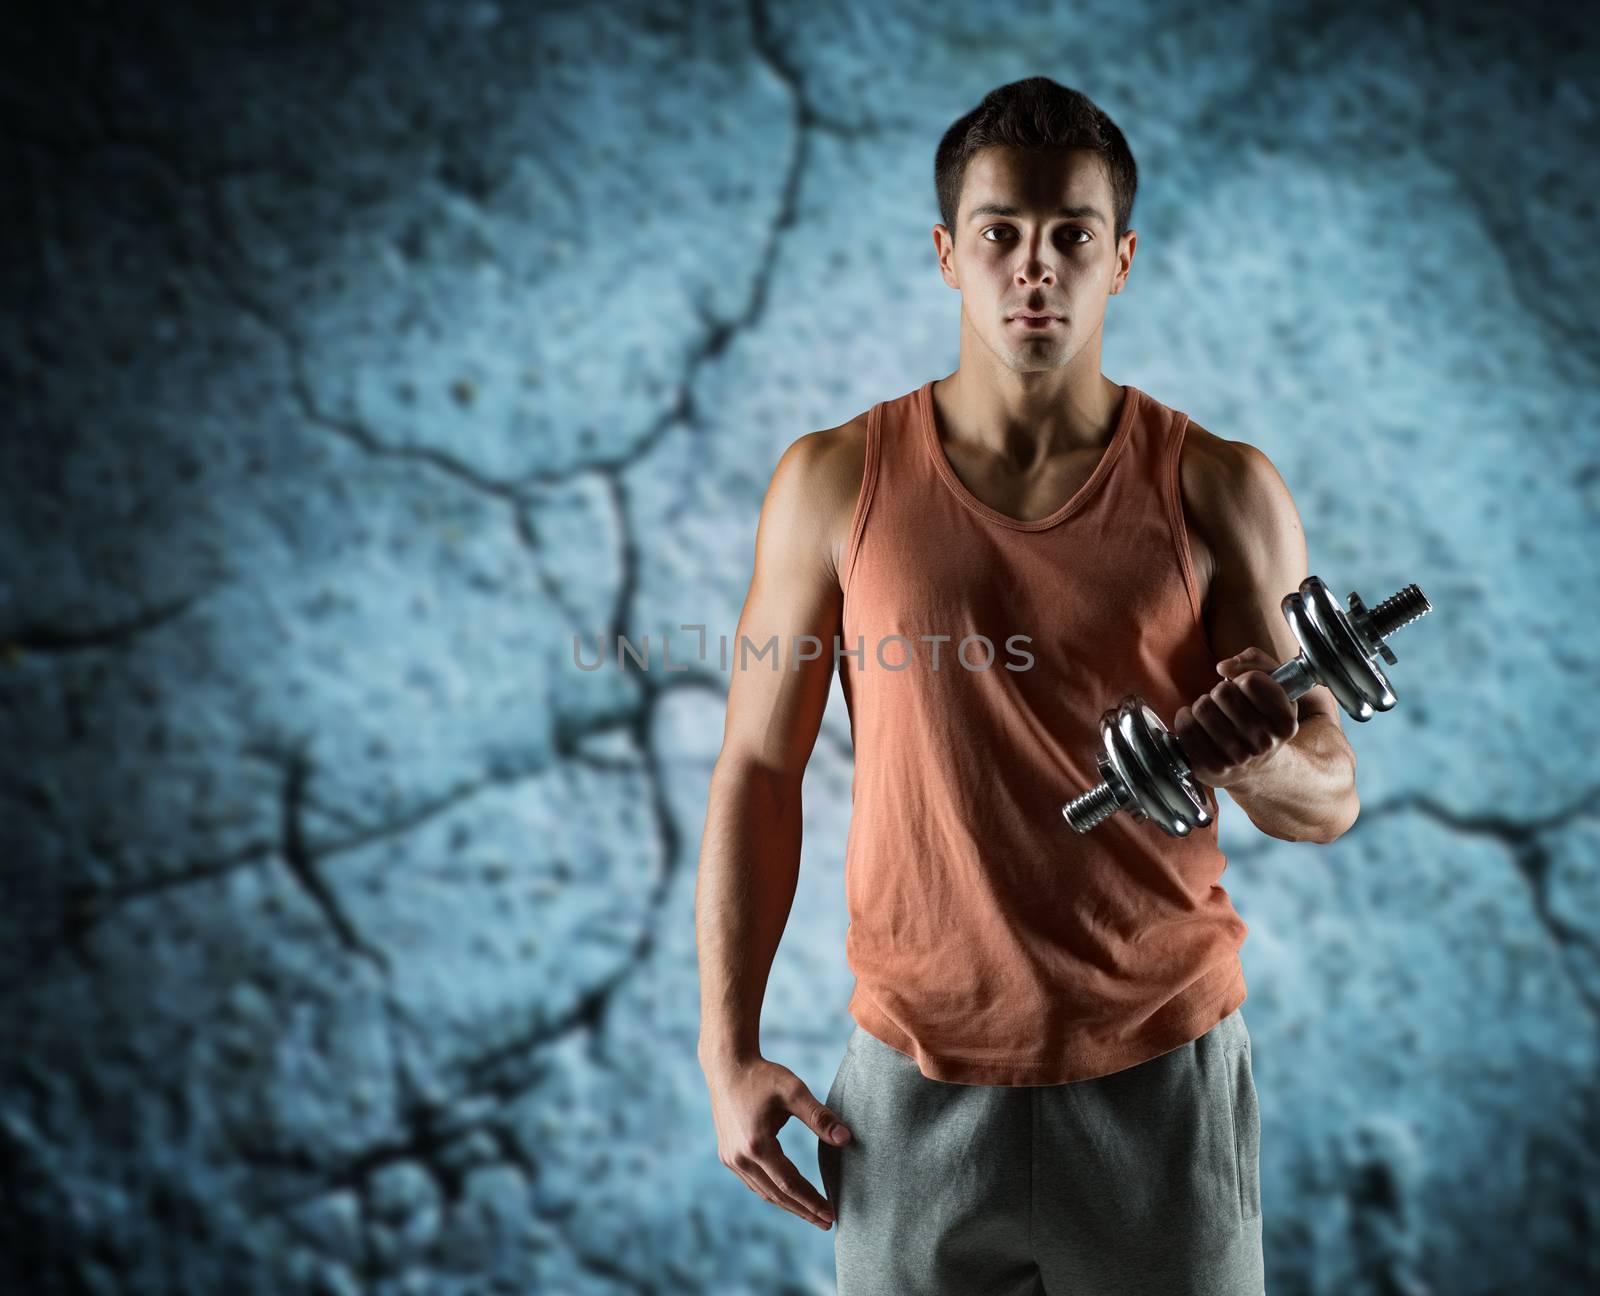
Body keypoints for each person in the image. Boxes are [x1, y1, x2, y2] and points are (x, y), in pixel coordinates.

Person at [695, 76, 1360, 1295]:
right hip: (907, 1088)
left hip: (1159, 1070)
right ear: (947, 255)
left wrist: (1261, 755)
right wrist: (724, 1047)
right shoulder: (832, 482)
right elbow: (757, 766)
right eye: (1000, 234)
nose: (1034, 268)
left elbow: (1328, 793)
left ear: (1123, 260)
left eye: (1072, 237)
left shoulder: (1222, 488)